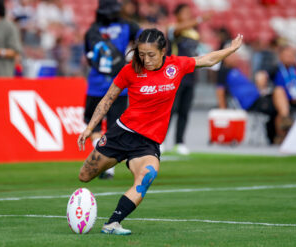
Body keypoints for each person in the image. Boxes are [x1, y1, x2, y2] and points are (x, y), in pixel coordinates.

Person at [77, 28, 243, 235]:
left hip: (147, 143)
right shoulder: (130, 70)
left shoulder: (177, 65)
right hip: (121, 134)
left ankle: (112, 223)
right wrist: (90, 128)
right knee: (84, 176)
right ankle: (79, 206)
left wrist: (231, 49)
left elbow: (207, 59)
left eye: (151, 55)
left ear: (163, 51)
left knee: (147, 176)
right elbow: (108, 99)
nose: (145, 59)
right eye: (141, 54)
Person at [83, 0, 141, 179]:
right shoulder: (127, 26)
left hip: (99, 85)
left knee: (95, 125)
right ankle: (107, 166)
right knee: (113, 127)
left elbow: (88, 57)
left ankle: (101, 162)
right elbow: (144, 39)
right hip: (116, 85)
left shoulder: (92, 30)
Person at [166, 3, 211, 155]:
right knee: (170, 110)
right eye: (184, 12)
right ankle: (160, 140)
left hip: (191, 76)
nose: (188, 15)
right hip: (175, 75)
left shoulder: (194, 33)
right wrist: (199, 19)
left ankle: (179, 142)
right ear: (177, 14)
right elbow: (176, 31)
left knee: (184, 111)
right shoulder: (174, 28)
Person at [216, 52, 277, 144]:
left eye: (236, 56)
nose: (236, 59)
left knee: (278, 100)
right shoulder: (223, 71)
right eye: (232, 56)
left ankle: (277, 135)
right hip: (250, 102)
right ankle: (274, 136)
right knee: (276, 107)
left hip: (258, 97)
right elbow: (220, 91)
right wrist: (223, 110)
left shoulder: (236, 70)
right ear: (225, 58)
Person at [272, 46, 296, 143]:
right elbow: (264, 78)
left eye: (291, 55)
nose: (289, 58)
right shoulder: (275, 69)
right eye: (286, 55)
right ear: (280, 57)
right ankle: (284, 124)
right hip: (284, 101)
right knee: (278, 91)